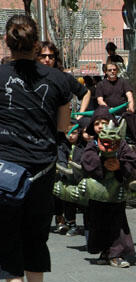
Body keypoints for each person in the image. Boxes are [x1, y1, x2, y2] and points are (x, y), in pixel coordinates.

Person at [0, 14, 71, 282]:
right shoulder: (58, 80)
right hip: (42, 170)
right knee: (36, 236)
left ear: (7, 42)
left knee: (7, 237)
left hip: (5, 172)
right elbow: (63, 126)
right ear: (38, 43)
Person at [37, 40, 90, 234]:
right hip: (36, 137)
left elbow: (85, 93)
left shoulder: (61, 78)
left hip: (59, 138)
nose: (47, 59)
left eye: (51, 56)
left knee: (60, 176)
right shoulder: (31, 77)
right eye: (43, 56)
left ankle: (64, 217)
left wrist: (80, 116)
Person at [80, 106, 136, 268]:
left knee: (116, 223)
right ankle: (105, 251)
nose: (100, 126)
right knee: (98, 223)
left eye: (104, 122)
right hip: (97, 193)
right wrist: (103, 165)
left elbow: (132, 163)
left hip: (116, 192)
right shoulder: (93, 144)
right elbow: (87, 161)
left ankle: (116, 254)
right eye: (97, 123)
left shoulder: (121, 144)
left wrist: (119, 166)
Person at [95, 61, 136, 144]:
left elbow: (129, 95)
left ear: (117, 71)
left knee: (132, 116)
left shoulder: (123, 82)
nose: (112, 72)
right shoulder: (101, 84)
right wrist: (109, 109)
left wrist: (131, 105)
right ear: (106, 72)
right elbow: (100, 100)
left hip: (123, 112)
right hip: (108, 112)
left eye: (114, 70)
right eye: (110, 70)